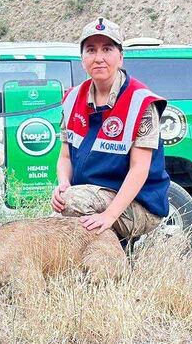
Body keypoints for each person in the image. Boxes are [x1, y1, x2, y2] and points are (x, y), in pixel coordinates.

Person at [51, 17, 171, 243]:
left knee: (73, 203)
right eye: (91, 50)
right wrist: (63, 183)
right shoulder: (72, 98)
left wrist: (110, 215)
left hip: (140, 204)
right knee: (55, 218)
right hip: (92, 196)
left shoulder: (141, 102)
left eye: (107, 49)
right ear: (82, 58)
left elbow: (139, 170)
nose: (99, 58)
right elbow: (65, 155)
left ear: (120, 56)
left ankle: (117, 259)